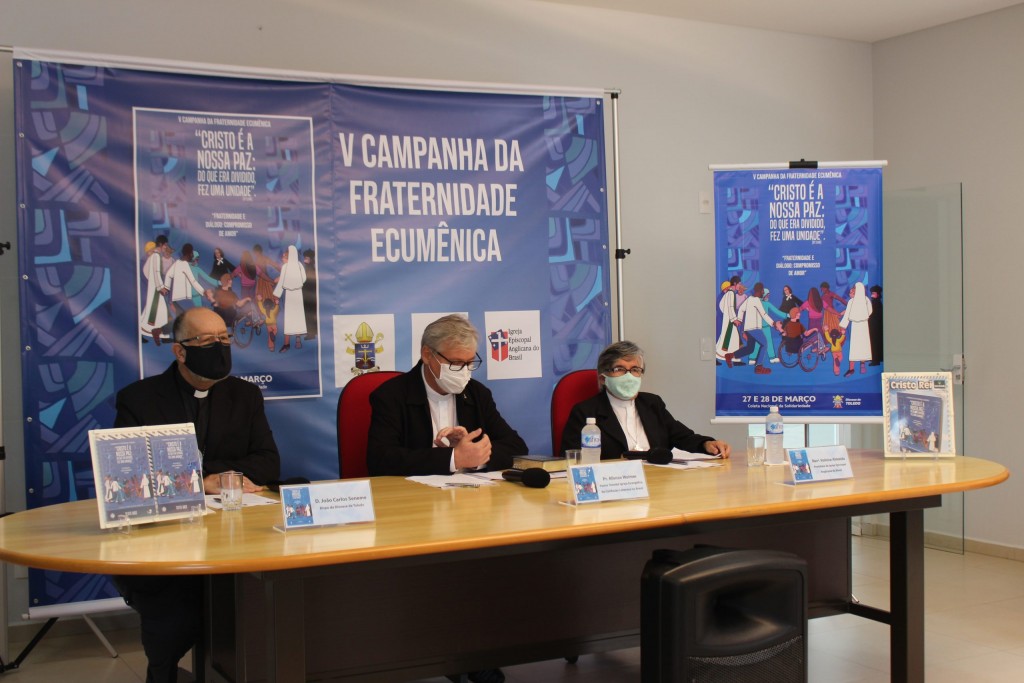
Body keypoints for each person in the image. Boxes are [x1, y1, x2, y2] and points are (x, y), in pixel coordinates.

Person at [112, 307, 281, 683]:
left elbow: (268, 465)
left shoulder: (245, 395)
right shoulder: (140, 400)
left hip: (236, 538)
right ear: (180, 351)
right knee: (175, 619)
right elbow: (130, 479)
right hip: (167, 539)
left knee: (261, 607)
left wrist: (213, 475)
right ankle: (163, 672)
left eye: (223, 339)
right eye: (207, 341)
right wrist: (203, 479)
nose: (219, 347)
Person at [368, 314, 528, 477]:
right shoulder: (391, 395)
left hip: (470, 497)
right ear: (427, 355)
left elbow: (516, 447)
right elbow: (380, 459)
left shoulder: (477, 394)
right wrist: (453, 458)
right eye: (456, 363)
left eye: (469, 363)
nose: (464, 371)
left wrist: (475, 454)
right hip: (414, 496)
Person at [560, 341, 731, 459]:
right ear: (603, 378)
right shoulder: (585, 412)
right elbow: (570, 458)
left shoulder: (652, 403)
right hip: (613, 487)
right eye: (619, 369)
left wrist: (707, 444)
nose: (629, 375)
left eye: (635, 369)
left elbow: (682, 436)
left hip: (655, 484)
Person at [839, 281, 873, 376]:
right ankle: (852, 368)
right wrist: (843, 327)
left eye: (854, 288)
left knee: (862, 345)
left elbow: (870, 311)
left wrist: (843, 325)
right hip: (858, 325)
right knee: (855, 347)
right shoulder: (854, 301)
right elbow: (847, 314)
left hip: (862, 325)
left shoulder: (864, 300)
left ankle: (861, 365)